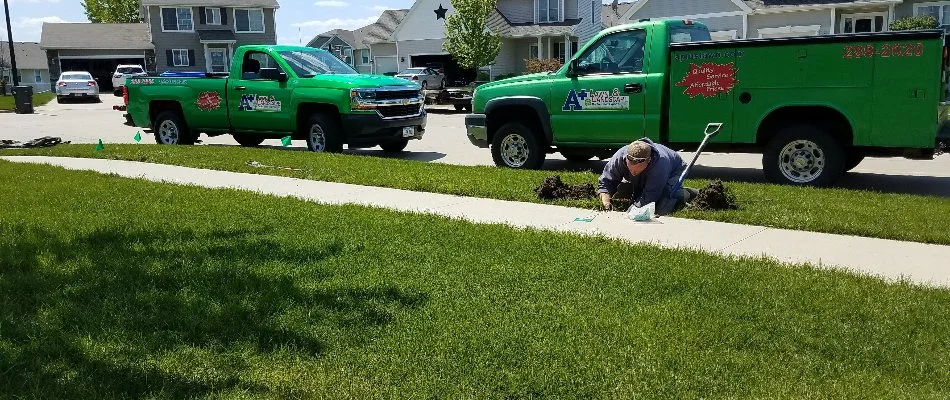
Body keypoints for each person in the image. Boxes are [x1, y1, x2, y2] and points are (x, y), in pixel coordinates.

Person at [598, 138, 698, 216]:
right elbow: (606, 182)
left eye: (637, 169)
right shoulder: (619, 157)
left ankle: (686, 193)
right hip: (650, 175)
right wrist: (606, 202)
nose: (633, 172)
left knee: (661, 208)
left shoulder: (660, 164)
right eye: (630, 168)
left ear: (648, 161)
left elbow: (650, 196)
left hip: (673, 171)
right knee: (624, 191)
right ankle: (639, 188)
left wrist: (629, 213)